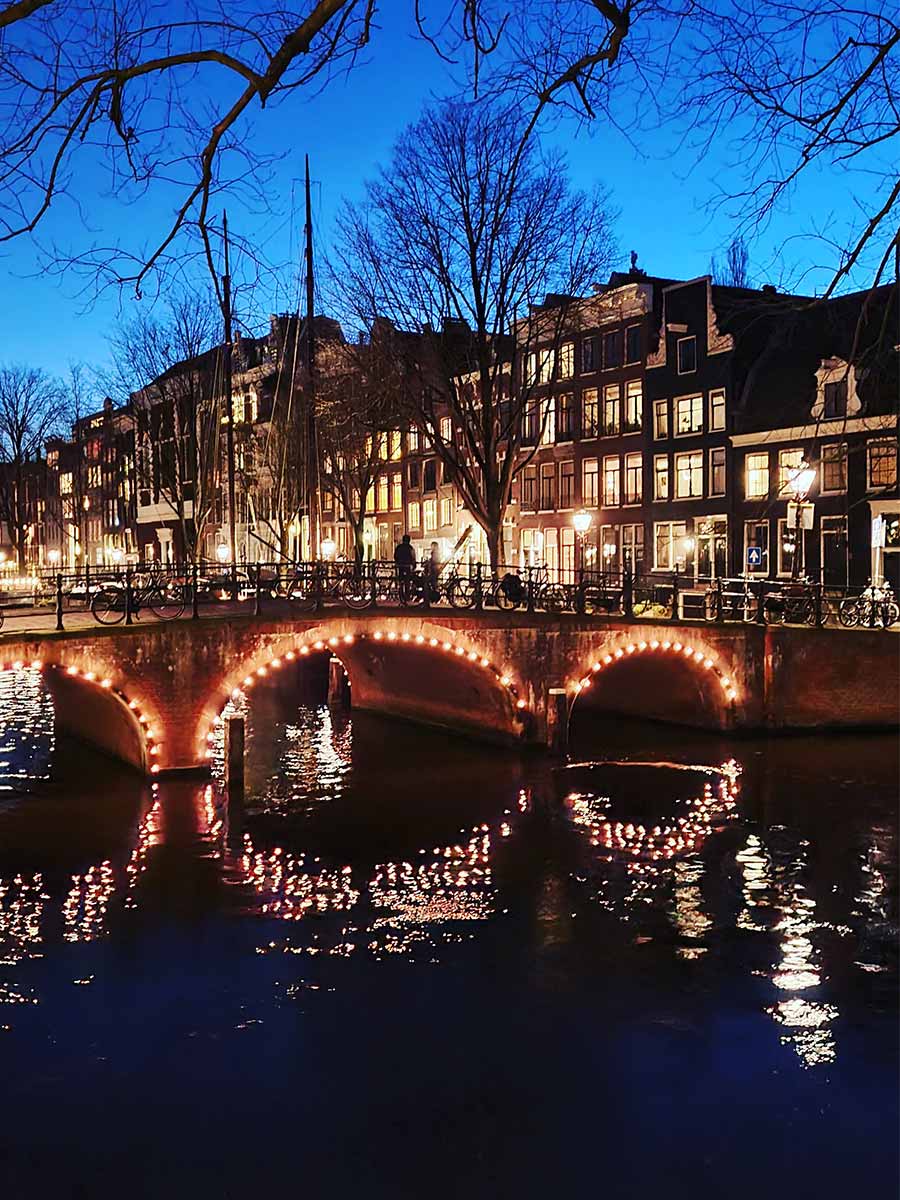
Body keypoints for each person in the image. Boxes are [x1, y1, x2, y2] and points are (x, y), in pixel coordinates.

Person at [394, 534, 416, 602]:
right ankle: (407, 596)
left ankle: (400, 594)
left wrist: (397, 562)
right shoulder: (410, 548)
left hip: (400, 566)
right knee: (407, 581)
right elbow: (413, 557)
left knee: (400, 580)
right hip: (407, 566)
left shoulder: (399, 547)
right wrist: (413, 565)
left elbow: (395, 556)